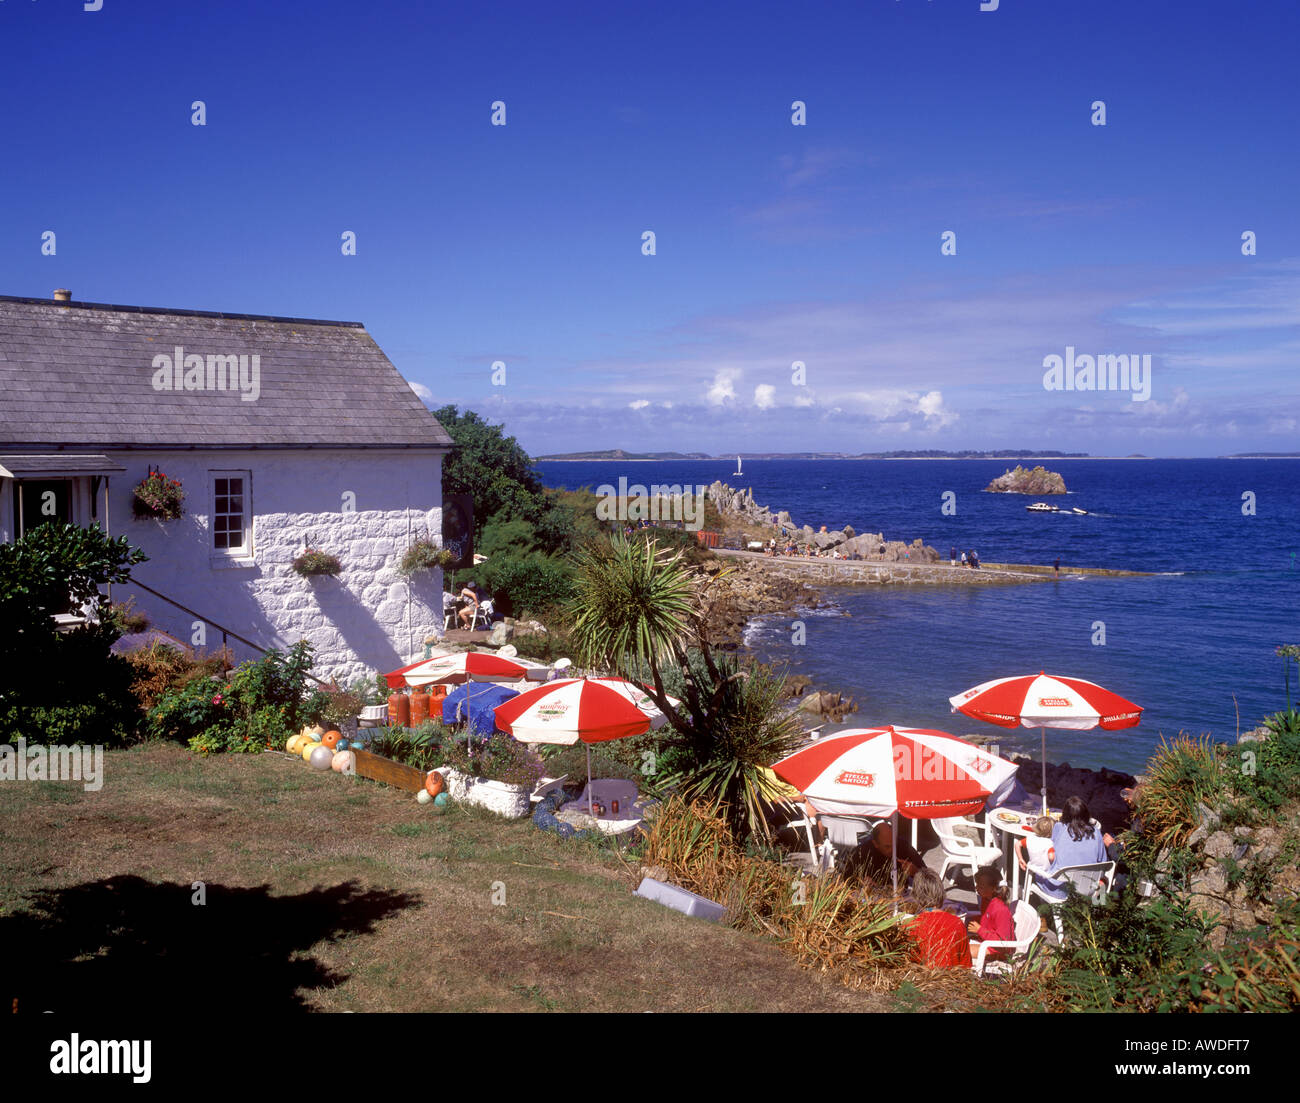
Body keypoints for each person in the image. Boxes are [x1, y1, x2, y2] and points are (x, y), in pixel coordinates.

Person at [1030, 795, 1109, 902]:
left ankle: (1044, 914)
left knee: (1038, 870)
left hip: (1059, 890)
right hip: (1086, 890)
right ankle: (1098, 911)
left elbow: (1052, 849)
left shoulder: (1059, 827)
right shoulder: (1096, 833)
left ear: (1065, 814)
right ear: (1086, 814)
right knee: (1102, 880)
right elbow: (1103, 862)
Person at [907, 868, 972, 969]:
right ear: (941, 894)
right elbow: (965, 965)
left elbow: (907, 964)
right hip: (952, 981)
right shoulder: (957, 923)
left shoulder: (911, 925)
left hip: (919, 982)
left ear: (916, 895)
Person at [841, 820, 925, 890]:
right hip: (872, 900)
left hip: (900, 897)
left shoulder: (903, 846)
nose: (892, 850)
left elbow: (929, 877)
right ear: (875, 843)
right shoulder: (861, 852)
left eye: (894, 844)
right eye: (887, 846)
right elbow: (846, 878)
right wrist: (860, 881)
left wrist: (915, 871)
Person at [967, 866, 1014, 961]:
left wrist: (979, 930)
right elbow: (987, 920)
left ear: (993, 888)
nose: (976, 888)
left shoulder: (1001, 910)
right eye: (977, 884)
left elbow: (1003, 942)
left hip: (998, 950)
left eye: (981, 886)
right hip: (986, 940)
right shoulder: (986, 899)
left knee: (960, 951)